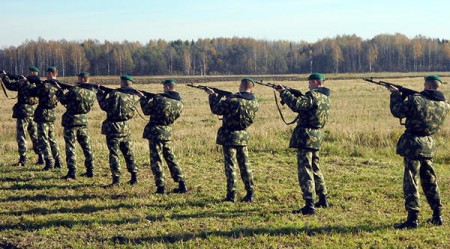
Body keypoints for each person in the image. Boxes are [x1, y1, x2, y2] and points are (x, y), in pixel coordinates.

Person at [389, 75, 449, 229]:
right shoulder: (444, 105)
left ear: (428, 86)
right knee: (430, 180)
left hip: (413, 144)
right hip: (428, 144)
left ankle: (413, 218)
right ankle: (437, 214)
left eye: (424, 85)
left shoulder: (416, 100)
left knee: (411, 180)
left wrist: (395, 94)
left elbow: (398, 111)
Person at [276, 73, 330, 215]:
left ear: (316, 82)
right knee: (315, 168)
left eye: (310, 82)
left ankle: (309, 204)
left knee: (305, 170)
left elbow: (297, 105)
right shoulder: (325, 98)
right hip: (316, 136)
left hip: (306, 136)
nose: (309, 84)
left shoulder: (313, 96)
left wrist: (284, 93)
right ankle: (323, 198)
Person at [205, 78, 259, 202]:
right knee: (245, 165)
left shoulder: (233, 100)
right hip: (243, 136)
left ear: (241, 86)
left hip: (229, 136)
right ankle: (250, 193)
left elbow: (216, 109)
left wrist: (213, 96)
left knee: (231, 166)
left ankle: (231, 194)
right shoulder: (255, 102)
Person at [137, 79, 186, 194]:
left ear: (168, 87)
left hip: (155, 132)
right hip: (167, 132)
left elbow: (146, 111)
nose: (163, 89)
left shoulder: (159, 98)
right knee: (171, 158)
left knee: (156, 160)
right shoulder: (180, 104)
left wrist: (143, 98)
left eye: (164, 87)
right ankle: (181, 183)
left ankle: (161, 187)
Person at [97, 75, 140, 187]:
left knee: (114, 154)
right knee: (129, 152)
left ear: (122, 83)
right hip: (125, 127)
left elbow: (104, 105)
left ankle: (116, 180)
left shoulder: (115, 94)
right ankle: (134, 176)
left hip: (113, 127)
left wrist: (101, 94)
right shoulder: (134, 96)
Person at [56, 72, 96, 179]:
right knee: (87, 147)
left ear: (83, 79)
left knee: (71, 147)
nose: (77, 80)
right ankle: (90, 170)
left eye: (78, 78)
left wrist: (59, 91)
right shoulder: (92, 92)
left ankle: (72, 172)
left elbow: (63, 100)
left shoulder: (74, 90)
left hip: (71, 121)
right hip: (83, 121)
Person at [1, 67, 43, 166]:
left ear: (33, 73)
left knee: (22, 136)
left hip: (23, 113)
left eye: (29, 72)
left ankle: (23, 159)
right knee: (35, 136)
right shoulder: (39, 84)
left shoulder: (24, 83)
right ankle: (41, 157)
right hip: (34, 113)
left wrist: (4, 77)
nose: (27, 73)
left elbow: (10, 85)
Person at [26, 67, 63, 170]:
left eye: (47, 73)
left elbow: (32, 92)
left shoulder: (45, 86)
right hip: (51, 114)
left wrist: (25, 83)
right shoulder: (58, 86)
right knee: (52, 139)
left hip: (43, 114)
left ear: (51, 73)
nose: (46, 75)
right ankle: (58, 160)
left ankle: (49, 161)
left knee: (43, 139)